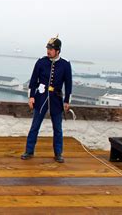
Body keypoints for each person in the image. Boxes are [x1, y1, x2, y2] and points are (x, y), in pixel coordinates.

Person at [21, 35, 72, 163]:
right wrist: (31, 96)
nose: (48, 51)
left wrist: (67, 101)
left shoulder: (65, 64)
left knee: (58, 128)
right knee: (35, 126)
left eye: (51, 48)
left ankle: (58, 153)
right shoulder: (41, 62)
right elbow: (33, 81)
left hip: (56, 99)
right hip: (41, 98)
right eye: (48, 48)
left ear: (58, 50)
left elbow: (69, 84)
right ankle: (29, 151)